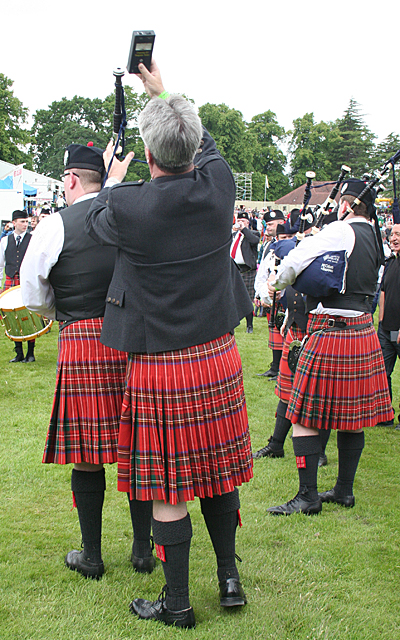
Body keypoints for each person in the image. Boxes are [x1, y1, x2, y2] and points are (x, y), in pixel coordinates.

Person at [85, 60, 253, 628]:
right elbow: (204, 148)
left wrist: (111, 174)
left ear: (149, 158)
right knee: (220, 473)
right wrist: (164, 93)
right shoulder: (220, 186)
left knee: (169, 485)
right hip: (218, 356)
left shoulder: (128, 205)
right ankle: (228, 579)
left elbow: (97, 219)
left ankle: (177, 601)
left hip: (161, 365)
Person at [21, 143, 154, 580]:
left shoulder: (55, 225)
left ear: (71, 179)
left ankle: (92, 556)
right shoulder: (130, 216)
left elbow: (33, 294)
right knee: (138, 448)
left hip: (81, 339)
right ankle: (141, 551)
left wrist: (65, 315)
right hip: (134, 338)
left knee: (87, 452)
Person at [265, 179, 393, 515]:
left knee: (304, 415)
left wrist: (275, 280)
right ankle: (343, 491)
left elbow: (296, 259)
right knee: (353, 419)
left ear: (347, 205)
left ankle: (307, 496)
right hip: (362, 329)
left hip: (332, 330)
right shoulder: (376, 237)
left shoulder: (341, 229)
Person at [0, 209, 35, 362]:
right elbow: (1, 264)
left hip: (26, 281)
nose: (25, 224)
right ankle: (19, 352)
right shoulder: (5, 241)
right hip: (11, 280)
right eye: (22, 221)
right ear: (14, 223)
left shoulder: (33, 239)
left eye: (27, 221)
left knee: (30, 315)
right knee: (13, 316)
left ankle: (31, 353)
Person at [377, 223, 400, 425]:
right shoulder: (391, 262)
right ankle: (386, 414)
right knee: (383, 373)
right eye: (392, 234)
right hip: (386, 329)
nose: (394, 238)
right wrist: (381, 320)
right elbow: (383, 290)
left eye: (399, 234)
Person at [231, 210, 260, 333]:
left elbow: (254, 241)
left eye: (243, 221)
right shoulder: (233, 235)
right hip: (234, 269)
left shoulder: (252, 234)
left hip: (247, 270)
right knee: (231, 298)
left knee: (247, 299)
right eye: (239, 221)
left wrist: (244, 230)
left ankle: (249, 325)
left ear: (248, 222)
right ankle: (231, 323)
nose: (240, 223)